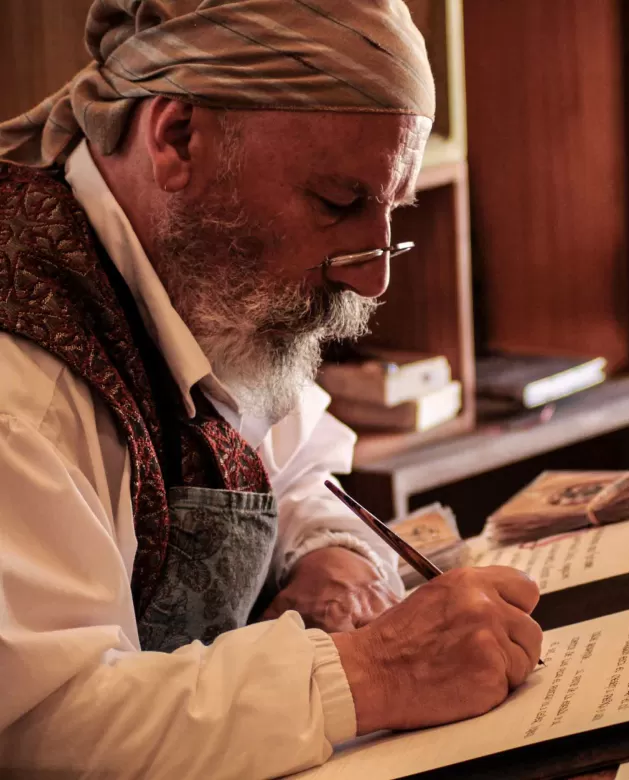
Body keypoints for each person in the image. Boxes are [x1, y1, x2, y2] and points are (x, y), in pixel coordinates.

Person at [0, 1, 543, 777]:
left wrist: (332, 555)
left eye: (391, 210)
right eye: (338, 203)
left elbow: (293, 469)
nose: (375, 279)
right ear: (177, 136)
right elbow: (42, 727)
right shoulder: (22, 384)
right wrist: (380, 668)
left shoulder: (196, 272)